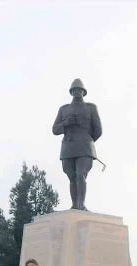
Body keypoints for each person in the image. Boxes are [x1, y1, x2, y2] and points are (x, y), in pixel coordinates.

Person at [52, 78, 103, 210]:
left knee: (81, 174)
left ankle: (81, 205)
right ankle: (75, 205)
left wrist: (87, 140)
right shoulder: (63, 109)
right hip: (68, 147)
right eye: (74, 90)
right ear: (71, 92)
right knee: (72, 177)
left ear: (83, 92)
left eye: (79, 90)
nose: (77, 92)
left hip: (85, 146)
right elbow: (55, 130)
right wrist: (66, 123)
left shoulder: (91, 108)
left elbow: (98, 130)